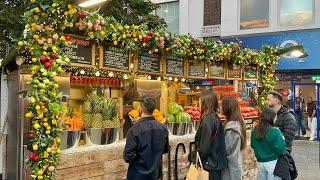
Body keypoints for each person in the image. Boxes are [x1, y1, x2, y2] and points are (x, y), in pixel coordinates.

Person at [123, 97, 169, 180]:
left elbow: (128, 157)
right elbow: (165, 150)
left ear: (140, 109)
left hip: (137, 175)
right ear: (154, 109)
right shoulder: (163, 128)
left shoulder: (134, 129)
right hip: (155, 174)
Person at [195, 91, 228, 180]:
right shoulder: (215, 117)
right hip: (215, 163)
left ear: (205, 102)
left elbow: (205, 148)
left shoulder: (207, 120)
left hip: (210, 165)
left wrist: (195, 156)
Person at [251, 108, 286, 180]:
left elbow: (252, 145)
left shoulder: (254, 130)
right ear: (271, 118)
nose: (276, 119)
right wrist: (283, 140)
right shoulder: (275, 131)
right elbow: (281, 148)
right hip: (273, 162)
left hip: (260, 162)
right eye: (275, 117)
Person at [221, 97, 247, 180]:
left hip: (230, 170)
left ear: (228, 108)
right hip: (233, 167)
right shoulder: (237, 123)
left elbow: (227, 150)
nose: (220, 108)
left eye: (222, 106)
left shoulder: (232, 128)